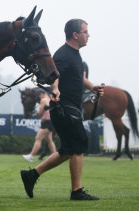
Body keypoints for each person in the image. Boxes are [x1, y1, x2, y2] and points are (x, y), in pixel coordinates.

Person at [20, 19, 104, 200]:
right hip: (64, 107)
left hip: (70, 107)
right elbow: (54, 73)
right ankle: (77, 191)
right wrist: (55, 88)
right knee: (79, 145)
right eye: (85, 31)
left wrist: (92, 86)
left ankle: (31, 175)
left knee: (67, 149)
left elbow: (76, 77)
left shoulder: (75, 54)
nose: (88, 35)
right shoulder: (63, 54)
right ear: (75, 35)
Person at [22, 90, 57, 162]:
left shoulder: (43, 100)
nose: (39, 97)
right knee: (49, 140)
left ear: (42, 94)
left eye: (39, 95)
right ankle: (55, 157)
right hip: (52, 121)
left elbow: (41, 112)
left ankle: (31, 156)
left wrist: (35, 112)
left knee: (38, 138)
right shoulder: (49, 99)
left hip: (46, 122)